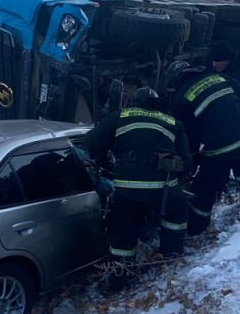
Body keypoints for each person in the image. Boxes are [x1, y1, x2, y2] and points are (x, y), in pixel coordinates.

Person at [81, 86, 192, 290]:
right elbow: (186, 159)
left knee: (123, 233)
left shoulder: (120, 117)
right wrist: (179, 182)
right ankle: (171, 266)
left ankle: (118, 282)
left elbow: (90, 146)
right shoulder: (172, 122)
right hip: (164, 187)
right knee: (175, 220)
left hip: (129, 190)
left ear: (134, 102)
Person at [170, 65, 240, 236]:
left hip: (221, 145)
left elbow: (187, 135)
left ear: (177, 80)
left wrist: (192, 159)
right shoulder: (218, 77)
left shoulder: (181, 97)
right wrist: (236, 113)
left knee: (206, 183)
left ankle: (196, 228)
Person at [209, 40, 240, 122]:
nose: (214, 65)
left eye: (218, 62)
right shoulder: (216, 69)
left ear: (227, 60)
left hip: (238, 115)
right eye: (213, 62)